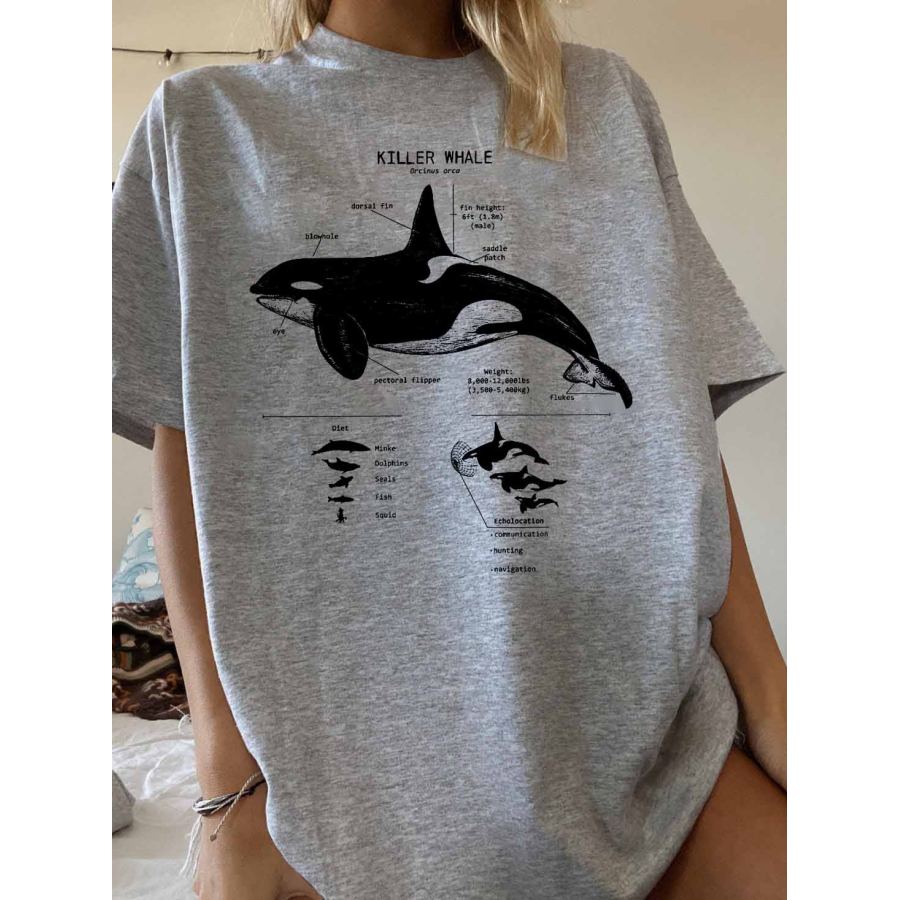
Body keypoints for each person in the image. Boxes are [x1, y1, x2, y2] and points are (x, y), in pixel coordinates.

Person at [112, 1, 786, 897]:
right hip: (330, 789)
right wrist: (227, 789)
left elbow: (678, 431)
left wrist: (773, 698)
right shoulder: (201, 124)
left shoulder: (605, 102)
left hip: (653, 759)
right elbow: (185, 457)